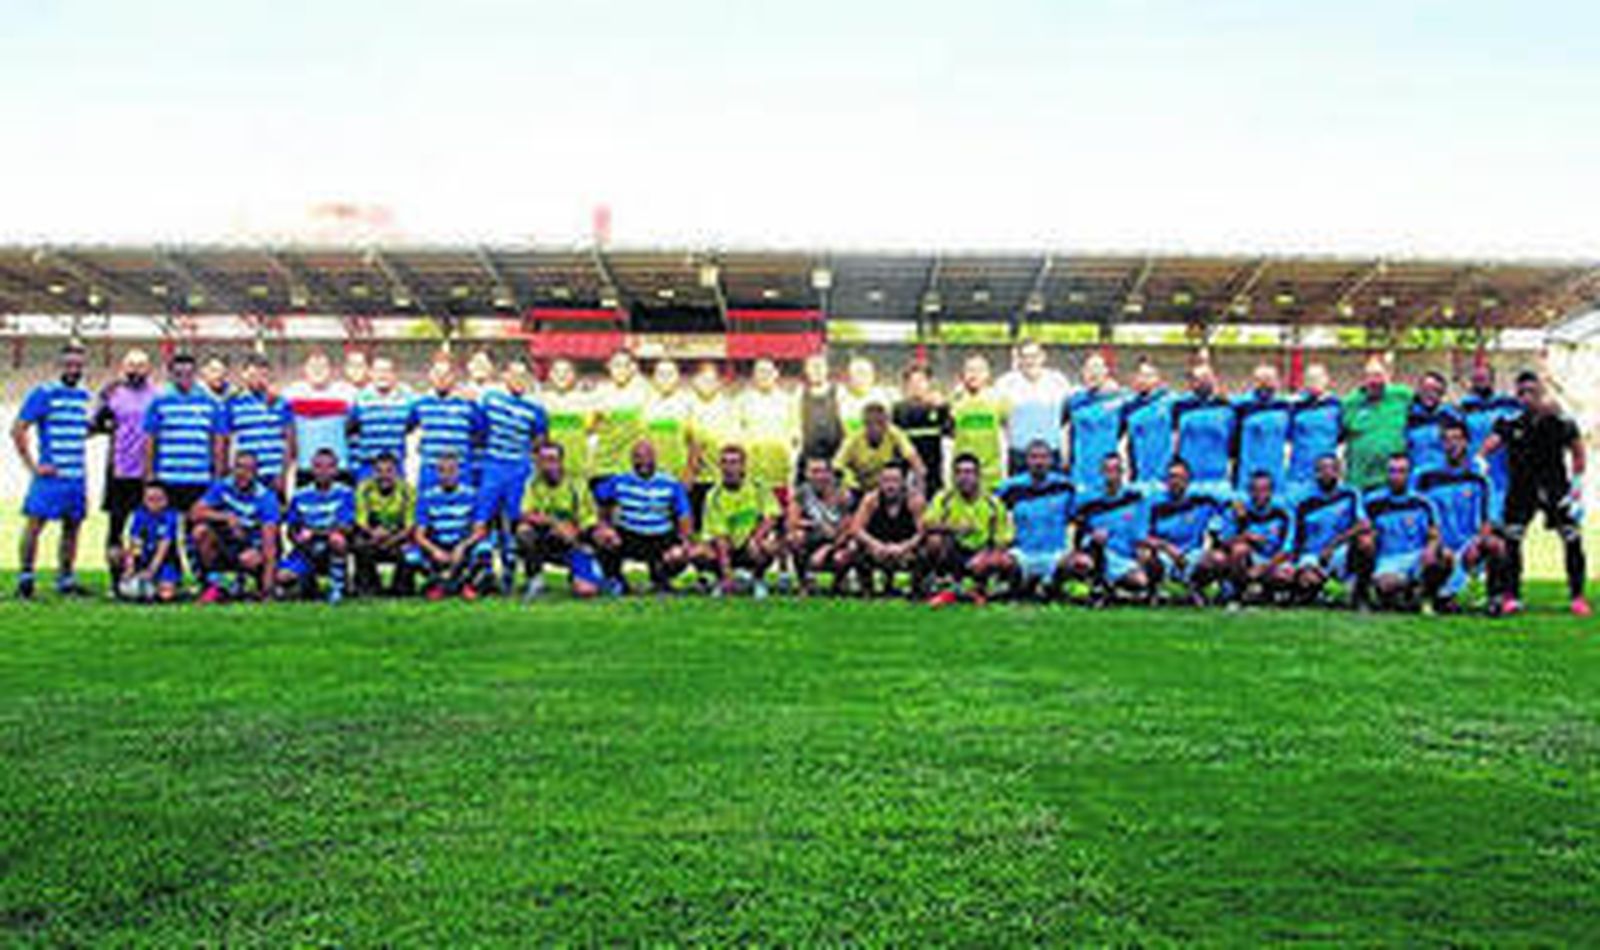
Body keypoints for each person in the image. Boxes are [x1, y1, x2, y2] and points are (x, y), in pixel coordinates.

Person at [1479, 371, 1589, 616]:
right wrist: (1481, 461)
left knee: (1571, 538)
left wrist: (1577, 487)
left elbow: (1578, 452)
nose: (1527, 397)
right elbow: (1488, 446)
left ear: (1541, 393)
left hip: (1555, 489)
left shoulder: (1560, 421)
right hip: (1521, 490)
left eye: (1532, 392)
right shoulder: (1509, 423)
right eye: (1522, 393)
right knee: (1512, 541)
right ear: (1517, 395)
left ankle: (1578, 597)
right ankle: (1512, 596)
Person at [12, 343, 91, 598]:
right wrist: (33, 466)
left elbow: (80, 431)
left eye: (78, 365)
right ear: (60, 366)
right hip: (51, 475)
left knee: (72, 527)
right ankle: (26, 579)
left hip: (76, 475)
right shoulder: (43, 393)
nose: (73, 369)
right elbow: (18, 429)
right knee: (35, 525)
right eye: (69, 364)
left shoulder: (83, 396)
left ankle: (66, 579)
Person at [1418, 421, 1506, 613]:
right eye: (1447, 440)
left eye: (1457, 439)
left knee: (1495, 544)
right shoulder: (1428, 478)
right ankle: (1434, 596)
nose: (1452, 444)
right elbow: (1423, 517)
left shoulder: (1480, 479)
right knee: (1435, 557)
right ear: (1441, 445)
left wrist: (1477, 542)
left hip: (1468, 544)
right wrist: (1435, 544)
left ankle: (1494, 597)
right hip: (1441, 545)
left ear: (1467, 442)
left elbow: (1487, 520)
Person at [476, 359, 548, 589]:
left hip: (519, 470)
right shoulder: (490, 400)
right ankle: (483, 571)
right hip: (493, 467)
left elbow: (539, 442)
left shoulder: (535, 410)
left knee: (515, 522)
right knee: (483, 519)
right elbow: (480, 430)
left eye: (523, 376)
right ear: (505, 376)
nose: (519, 380)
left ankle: (511, 569)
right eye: (514, 375)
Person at [592, 440, 694, 593]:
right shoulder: (619, 481)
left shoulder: (670, 483)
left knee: (679, 554)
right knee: (604, 537)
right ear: (632, 460)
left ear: (655, 458)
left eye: (647, 457)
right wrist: (604, 524)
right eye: (638, 457)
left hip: (660, 537)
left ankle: (662, 579)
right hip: (630, 534)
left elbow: (684, 514)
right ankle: (615, 580)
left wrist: (684, 541)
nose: (643, 462)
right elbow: (597, 498)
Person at [93, 348, 158, 586]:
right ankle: (115, 580)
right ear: (123, 367)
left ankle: (141, 577)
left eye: (141, 365)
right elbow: (95, 424)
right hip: (119, 471)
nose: (136, 370)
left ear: (149, 369)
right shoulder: (112, 393)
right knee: (116, 529)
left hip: (147, 473)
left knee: (144, 530)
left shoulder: (156, 396)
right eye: (131, 365)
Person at [921, 452, 1013, 605]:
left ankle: (980, 587)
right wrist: (953, 528)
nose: (964, 477)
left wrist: (987, 556)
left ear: (978, 476)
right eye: (959, 472)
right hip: (954, 550)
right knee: (934, 540)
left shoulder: (993, 503)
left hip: (981, 552)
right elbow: (927, 524)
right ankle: (941, 581)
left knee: (1005, 560)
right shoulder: (944, 497)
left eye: (969, 472)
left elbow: (1003, 539)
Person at [515, 442, 604, 600]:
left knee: (586, 592)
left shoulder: (576, 484)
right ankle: (535, 580)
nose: (547, 465)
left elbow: (589, 520)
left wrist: (575, 532)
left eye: (552, 459)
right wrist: (555, 523)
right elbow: (525, 513)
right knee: (524, 532)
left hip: (575, 541)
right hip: (547, 539)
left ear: (561, 461)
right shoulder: (533, 483)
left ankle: (603, 576)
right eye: (542, 460)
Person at [693, 444, 783, 597]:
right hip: (725, 545)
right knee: (697, 553)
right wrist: (727, 572)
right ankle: (721, 580)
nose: (729, 467)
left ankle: (758, 580)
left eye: (734, 462)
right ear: (720, 467)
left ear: (743, 466)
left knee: (769, 546)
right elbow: (720, 537)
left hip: (750, 544)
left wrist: (757, 537)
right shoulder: (714, 495)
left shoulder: (758, 487)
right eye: (725, 462)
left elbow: (772, 515)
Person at [190, 451, 281, 603]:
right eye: (239, 467)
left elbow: (269, 545)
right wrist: (226, 517)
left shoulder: (266, 498)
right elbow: (195, 513)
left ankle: (248, 587)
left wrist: (268, 589)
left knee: (250, 559)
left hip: (251, 544)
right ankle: (212, 583)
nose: (242, 473)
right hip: (226, 541)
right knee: (200, 532)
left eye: (248, 469)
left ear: (256, 473)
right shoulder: (222, 486)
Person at [1363, 453, 1448, 611]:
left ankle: (1427, 596)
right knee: (1386, 585)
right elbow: (1364, 530)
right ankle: (1402, 592)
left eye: (1401, 471)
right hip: (1388, 558)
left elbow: (1435, 533)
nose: (1396, 476)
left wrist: (1431, 548)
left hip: (1416, 556)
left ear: (1409, 474)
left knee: (1444, 557)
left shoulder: (1423, 502)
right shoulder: (1373, 502)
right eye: (1392, 471)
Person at [1064, 453, 1151, 603]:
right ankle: (1093, 585)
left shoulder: (1134, 499)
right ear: (1101, 472)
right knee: (1083, 561)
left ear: (1122, 472)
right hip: (1095, 553)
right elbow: (1075, 524)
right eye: (1108, 470)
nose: (1112, 474)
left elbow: (1139, 535)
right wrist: (1088, 537)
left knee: (1140, 581)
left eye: (1116, 470)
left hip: (1122, 556)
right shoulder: (1088, 500)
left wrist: (1141, 555)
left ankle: (1111, 590)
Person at [1140, 459, 1228, 605]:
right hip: (1163, 554)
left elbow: (1228, 507)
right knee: (1146, 556)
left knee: (1218, 558)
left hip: (1192, 554)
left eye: (1180, 477)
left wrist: (1237, 506)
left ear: (1188, 481)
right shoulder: (1153, 504)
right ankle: (1154, 591)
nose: (1175, 481)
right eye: (1171, 477)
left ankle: (1196, 587)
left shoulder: (1202, 502)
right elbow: (1140, 535)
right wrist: (1166, 547)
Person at [996, 439, 1076, 598]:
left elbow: (1077, 518)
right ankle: (1022, 585)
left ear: (1051, 460)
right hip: (1022, 553)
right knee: (998, 562)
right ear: (1026, 460)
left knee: (1082, 563)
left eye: (1043, 457)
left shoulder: (1066, 487)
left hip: (1055, 553)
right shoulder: (1010, 487)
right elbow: (993, 512)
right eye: (1034, 457)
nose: (1039, 462)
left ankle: (1051, 585)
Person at [1289, 454, 1373, 607]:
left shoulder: (1350, 494)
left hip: (1341, 551)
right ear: (1316, 473)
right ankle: (1332, 591)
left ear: (1339, 471)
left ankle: (1360, 594)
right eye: (1322, 469)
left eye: (1331, 469)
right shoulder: (1305, 502)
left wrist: (1333, 545)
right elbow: (1297, 538)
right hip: (1313, 554)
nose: (1327, 473)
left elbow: (1364, 524)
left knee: (1366, 542)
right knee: (1308, 580)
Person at [406, 452, 492, 601]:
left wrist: (463, 546)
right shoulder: (427, 497)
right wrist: (434, 550)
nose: (447, 475)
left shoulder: (471, 494)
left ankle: (464, 584)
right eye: (442, 471)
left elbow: (480, 530)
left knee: (484, 549)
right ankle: (443, 584)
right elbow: (419, 534)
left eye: (451, 470)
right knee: (411, 556)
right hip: (438, 543)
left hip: (462, 543)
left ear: (459, 472)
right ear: (437, 473)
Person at [278, 448, 356, 603]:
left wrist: (314, 533)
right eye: (318, 466)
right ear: (312, 469)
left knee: (338, 540)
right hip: (306, 548)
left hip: (329, 544)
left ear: (336, 470)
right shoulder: (300, 495)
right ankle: (303, 585)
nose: (323, 471)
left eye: (329, 467)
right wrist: (297, 538)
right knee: (282, 577)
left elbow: (346, 527)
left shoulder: (345, 493)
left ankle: (337, 587)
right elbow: (291, 528)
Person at [220, 352, 295, 496]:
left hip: (273, 474)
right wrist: (227, 472)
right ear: (244, 375)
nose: (258, 380)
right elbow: (224, 441)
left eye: (263, 375)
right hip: (245, 475)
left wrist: (283, 475)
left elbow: (289, 441)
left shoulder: (281, 402)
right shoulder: (232, 403)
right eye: (253, 375)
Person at [1216, 470, 1296, 605]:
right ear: (1249, 491)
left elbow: (1288, 550)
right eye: (1255, 490)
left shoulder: (1283, 513)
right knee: (1239, 550)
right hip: (1249, 561)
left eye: (1264, 490)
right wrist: (1244, 537)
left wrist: (1264, 567)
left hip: (1273, 561)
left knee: (1285, 576)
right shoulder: (1239, 510)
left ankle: (1266, 593)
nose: (1259, 495)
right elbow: (1222, 541)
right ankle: (1237, 592)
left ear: (1271, 492)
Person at [1457, 363, 1521, 523]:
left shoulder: (1507, 405)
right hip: (1473, 469)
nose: (1480, 382)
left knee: (1498, 519)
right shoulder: (1464, 408)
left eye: (1483, 378)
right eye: (1476, 379)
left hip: (1501, 471)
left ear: (1492, 380)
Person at [849, 462, 925, 597]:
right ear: (879, 482)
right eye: (886, 480)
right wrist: (875, 545)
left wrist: (903, 547)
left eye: (895, 480)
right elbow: (856, 528)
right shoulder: (871, 500)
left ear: (903, 482)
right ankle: (868, 590)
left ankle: (916, 590)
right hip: (877, 546)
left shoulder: (914, 501)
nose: (890, 486)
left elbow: (922, 532)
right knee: (853, 547)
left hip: (905, 547)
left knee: (926, 550)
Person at [408, 358, 484, 493]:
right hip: (430, 469)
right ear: (430, 375)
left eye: (446, 374)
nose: (441, 378)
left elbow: (481, 432)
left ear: (454, 377)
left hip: (460, 470)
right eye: (437, 373)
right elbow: (407, 426)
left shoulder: (468, 404)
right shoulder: (420, 403)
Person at [995, 340, 1070, 474]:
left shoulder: (1058, 382)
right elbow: (1000, 420)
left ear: (1043, 357)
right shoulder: (1005, 384)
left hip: (1051, 453)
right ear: (1018, 359)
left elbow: (1066, 418)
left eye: (1034, 356)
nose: (1030, 361)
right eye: (1025, 357)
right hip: (1019, 454)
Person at [784, 455, 855, 595]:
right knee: (794, 537)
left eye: (823, 471)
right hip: (813, 538)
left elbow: (849, 529)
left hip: (836, 541)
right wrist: (817, 525)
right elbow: (791, 522)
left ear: (830, 473)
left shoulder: (843, 494)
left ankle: (838, 585)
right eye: (814, 471)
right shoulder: (802, 493)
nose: (819, 476)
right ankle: (804, 583)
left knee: (851, 547)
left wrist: (828, 548)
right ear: (806, 474)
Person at [283, 350, 356, 483]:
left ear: (332, 370)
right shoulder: (292, 393)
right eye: (313, 367)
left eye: (322, 366)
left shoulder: (347, 393)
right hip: (306, 468)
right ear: (304, 370)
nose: (318, 371)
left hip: (339, 468)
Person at [1342, 357, 1412, 492]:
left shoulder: (1402, 396)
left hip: (1391, 482)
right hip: (1360, 482)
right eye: (1369, 376)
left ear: (1388, 376)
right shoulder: (1350, 403)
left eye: (1378, 375)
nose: (1374, 381)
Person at [351, 451, 416, 597]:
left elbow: (410, 526)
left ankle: (400, 590)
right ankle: (370, 589)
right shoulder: (364, 488)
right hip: (372, 535)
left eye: (389, 471)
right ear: (373, 473)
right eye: (379, 471)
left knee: (410, 549)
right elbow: (360, 521)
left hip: (398, 536)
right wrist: (373, 534)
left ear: (397, 473)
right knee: (359, 545)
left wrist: (392, 539)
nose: (384, 476)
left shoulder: (408, 490)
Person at [686, 361, 743, 525]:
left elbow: (736, 446)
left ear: (719, 383)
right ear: (694, 382)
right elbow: (688, 444)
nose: (707, 385)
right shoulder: (689, 406)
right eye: (702, 380)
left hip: (722, 481)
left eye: (711, 380)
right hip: (696, 482)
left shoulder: (728, 407)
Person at [1172, 362, 1235, 499]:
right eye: (1196, 379)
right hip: (1188, 481)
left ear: (1213, 380)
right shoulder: (1180, 407)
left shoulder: (1228, 407)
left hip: (1218, 480)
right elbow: (1175, 440)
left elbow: (1234, 444)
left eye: (1205, 378)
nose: (1200, 382)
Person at [740, 358, 799, 504]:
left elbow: (796, 440)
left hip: (781, 477)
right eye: (760, 371)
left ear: (776, 374)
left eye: (768, 371)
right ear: (753, 375)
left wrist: (793, 475)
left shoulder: (788, 401)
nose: (764, 375)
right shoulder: (743, 401)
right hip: (752, 477)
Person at [833, 402, 926, 495]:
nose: (876, 428)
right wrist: (846, 485)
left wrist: (918, 491)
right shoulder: (852, 440)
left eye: (880, 423)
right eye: (870, 424)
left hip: (888, 486)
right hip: (860, 487)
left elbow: (917, 463)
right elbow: (836, 466)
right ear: (864, 424)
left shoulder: (894, 434)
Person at [1066, 353, 1125, 496]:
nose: (1094, 372)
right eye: (1089, 368)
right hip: (1081, 473)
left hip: (1109, 473)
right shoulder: (1074, 401)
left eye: (1098, 367)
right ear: (1083, 372)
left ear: (1106, 372)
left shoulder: (1121, 399)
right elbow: (1065, 431)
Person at [589, 349, 650, 487]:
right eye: (617, 365)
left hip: (634, 469)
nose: (621, 370)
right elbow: (590, 429)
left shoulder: (644, 393)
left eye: (625, 365)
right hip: (604, 468)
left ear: (633, 368)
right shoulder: (599, 394)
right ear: (608, 366)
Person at [948, 354, 1007, 492]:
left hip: (991, 476)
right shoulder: (954, 401)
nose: (974, 375)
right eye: (970, 370)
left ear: (988, 374)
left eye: (979, 370)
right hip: (962, 475)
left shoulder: (1000, 400)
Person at [349, 355, 412, 483]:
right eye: (378, 371)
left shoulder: (407, 401)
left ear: (395, 374)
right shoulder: (360, 400)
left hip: (395, 468)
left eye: (387, 371)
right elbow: (352, 431)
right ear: (370, 373)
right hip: (368, 467)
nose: (383, 375)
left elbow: (411, 425)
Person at [892, 364, 952, 496]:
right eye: (912, 382)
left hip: (934, 474)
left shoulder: (940, 407)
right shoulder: (898, 410)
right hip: (906, 474)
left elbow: (951, 433)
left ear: (929, 383)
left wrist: (944, 407)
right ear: (905, 385)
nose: (917, 385)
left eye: (921, 381)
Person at [1232, 363, 1292, 495]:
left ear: (1277, 382)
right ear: (1254, 382)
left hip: (1276, 475)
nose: (1266, 384)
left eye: (1270, 380)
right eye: (1261, 380)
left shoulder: (1285, 406)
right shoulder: (1240, 406)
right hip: (1247, 474)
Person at [1286, 363, 1343, 500]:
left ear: (1327, 380)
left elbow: (1342, 435)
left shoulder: (1336, 405)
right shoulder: (1295, 406)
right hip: (1300, 475)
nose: (1314, 383)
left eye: (1318, 379)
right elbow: (1288, 435)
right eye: (1310, 379)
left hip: (1327, 475)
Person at [118, 483, 182, 603]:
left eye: (159, 499)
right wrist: (130, 567)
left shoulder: (170, 516)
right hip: (144, 558)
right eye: (150, 499)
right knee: (130, 588)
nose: (155, 503)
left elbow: (164, 546)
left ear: (166, 500)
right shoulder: (139, 516)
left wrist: (151, 570)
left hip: (165, 562)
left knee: (166, 596)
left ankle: (170, 586)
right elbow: (135, 543)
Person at [1121, 358, 1174, 496]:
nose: (1144, 379)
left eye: (1149, 375)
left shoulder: (1171, 402)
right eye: (1141, 375)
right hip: (1138, 480)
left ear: (1158, 378)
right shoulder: (1129, 406)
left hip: (1164, 481)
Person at [540, 358, 592, 483]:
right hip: (550, 467)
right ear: (550, 375)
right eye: (557, 371)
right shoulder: (541, 401)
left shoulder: (587, 401)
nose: (561, 375)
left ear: (574, 375)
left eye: (566, 371)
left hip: (578, 467)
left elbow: (592, 436)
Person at [643, 359, 694, 483]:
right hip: (649, 476)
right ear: (653, 378)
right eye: (661, 374)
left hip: (678, 477)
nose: (666, 378)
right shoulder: (644, 404)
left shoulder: (687, 405)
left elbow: (693, 444)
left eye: (670, 374)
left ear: (678, 377)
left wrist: (689, 473)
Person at [1404, 370, 1462, 478]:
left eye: (1435, 390)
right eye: (1426, 389)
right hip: (1417, 478)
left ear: (1442, 393)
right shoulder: (1408, 416)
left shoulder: (1451, 417)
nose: (1430, 394)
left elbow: (1459, 451)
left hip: (1444, 479)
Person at [797, 353, 845, 478]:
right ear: (806, 370)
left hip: (834, 458)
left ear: (827, 369)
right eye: (812, 367)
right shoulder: (798, 395)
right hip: (807, 459)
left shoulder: (839, 393)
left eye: (820, 367)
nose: (816, 371)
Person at [838, 355, 891, 437]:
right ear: (849, 377)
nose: (861, 379)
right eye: (857, 374)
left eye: (865, 374)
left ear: (872, 377)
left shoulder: (881, 398)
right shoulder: (842, 399)